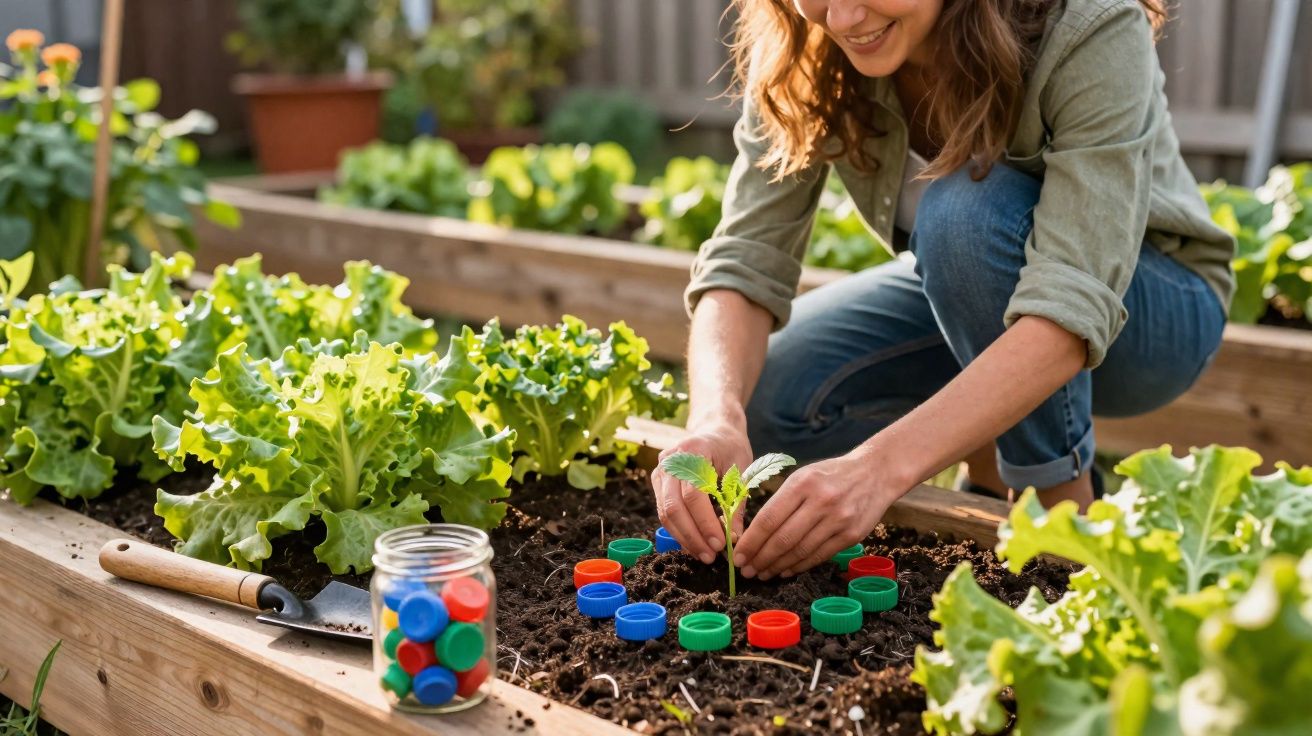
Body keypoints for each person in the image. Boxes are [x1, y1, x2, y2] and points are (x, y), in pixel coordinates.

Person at [650, 0, 1234, 581]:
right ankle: (984, 478)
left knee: (963, 217)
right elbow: (747, 256)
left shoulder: (1088, 23)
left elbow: (1070, 308)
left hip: (1150, 310)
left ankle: (1064, 529)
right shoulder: (805, 48)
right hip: (978, 295)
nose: (844, 18)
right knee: (774, 398)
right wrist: (715, 417)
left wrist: (877, 470)